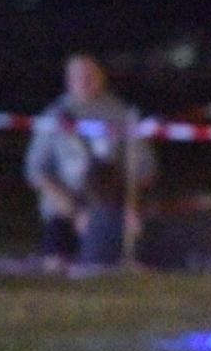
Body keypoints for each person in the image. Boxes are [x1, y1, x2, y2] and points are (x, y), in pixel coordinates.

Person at [22, 54, 156, 270]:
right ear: (68, 80)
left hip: (111, 208)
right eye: (77, 76)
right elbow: (35, 172)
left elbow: (145, 168)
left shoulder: (121, 114)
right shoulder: (54, 116)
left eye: (90, 75)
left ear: (101, 77)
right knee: (56, 263)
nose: (84, 80)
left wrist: (130, 205)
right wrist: (75, 212)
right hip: (66, 210)